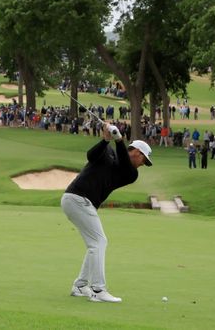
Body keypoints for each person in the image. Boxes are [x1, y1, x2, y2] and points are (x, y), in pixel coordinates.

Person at [61, 125, 152, 303]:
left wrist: (118, 140)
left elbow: (124, 165)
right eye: (143, 159)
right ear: (135, 152)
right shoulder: (108, 151)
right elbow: (91, 156)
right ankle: (98, 289)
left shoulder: (131, 174)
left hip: (82, 202)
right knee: (99, 242)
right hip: (77, 198)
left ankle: (80, 286)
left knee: (94, 244)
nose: (143, 164)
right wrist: (105, 140)